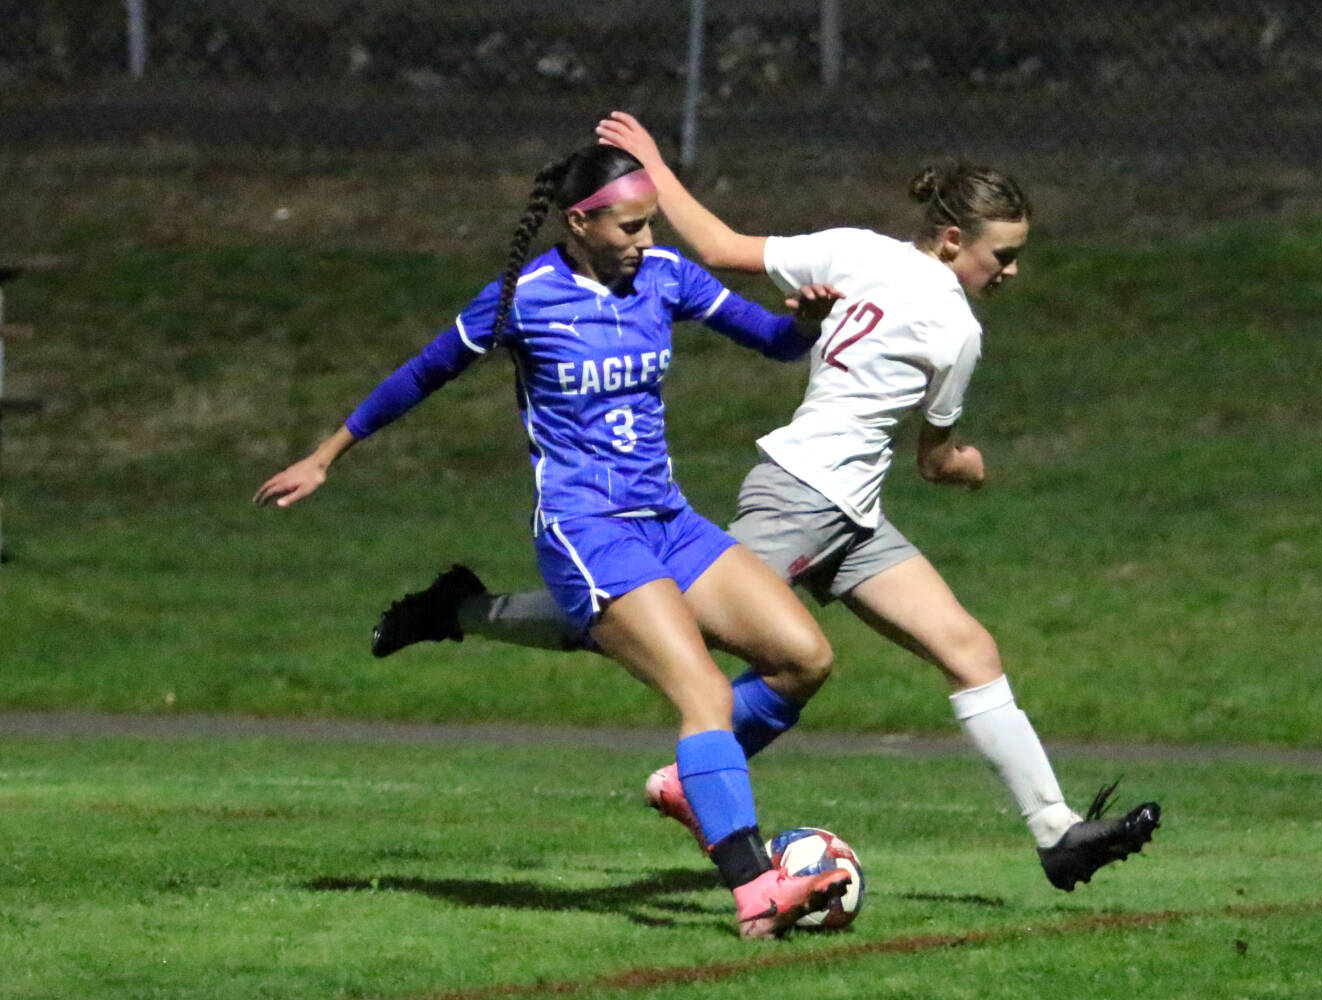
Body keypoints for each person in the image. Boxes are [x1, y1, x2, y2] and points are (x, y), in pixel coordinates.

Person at [370, 113, 1161, 892]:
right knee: (636, 618)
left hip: (853, 512)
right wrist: (972, 468)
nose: (1012, 271)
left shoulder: (858, 248)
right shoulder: (958, 328)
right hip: (798, 497)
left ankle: (1056, 833)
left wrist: (656, 162)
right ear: (954, 240)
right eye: (1005, 255)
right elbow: (935, 459)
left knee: (969, 649)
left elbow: (718, 247)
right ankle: (467, 616)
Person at [254, 140, 854, 939]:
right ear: (580, 222)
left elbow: (775, 343)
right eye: (632, 227)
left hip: (668, 520)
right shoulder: (526, 297)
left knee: (802, 659)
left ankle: (693, 780)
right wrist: (328, 454)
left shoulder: (667, 278)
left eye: (650, 226)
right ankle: (752, 888)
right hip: (584, 531)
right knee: (704, 693)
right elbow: (424, 372)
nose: (646, 241)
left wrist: (801, 322)